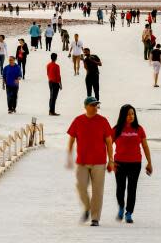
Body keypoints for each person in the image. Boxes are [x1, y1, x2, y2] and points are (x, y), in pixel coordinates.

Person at [67, 97, 114, 227]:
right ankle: (87, 207)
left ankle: (95, 218)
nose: (95, 108)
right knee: (80, 186)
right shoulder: (78, 120)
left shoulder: (103, 121)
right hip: (82, 161)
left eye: (97, 105)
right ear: (86, 106)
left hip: (99, 162)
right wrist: (69, 155)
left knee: (98, 191)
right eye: (93, 105)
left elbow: (109, 142)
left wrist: (111, 159)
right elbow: (71, 139)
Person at [112, 104, 152, 224]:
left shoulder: (139, 129)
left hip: (135, 163)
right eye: (128, 114)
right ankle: (121, 207)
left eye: (133, 114)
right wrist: (110, 160)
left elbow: (145, 146)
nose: (131, 116)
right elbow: (108, 145)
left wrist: (149, 162)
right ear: (123, 115)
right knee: (120, 188)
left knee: (132, 189)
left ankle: (129, 213)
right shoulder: (116, 129)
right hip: (119, 163)